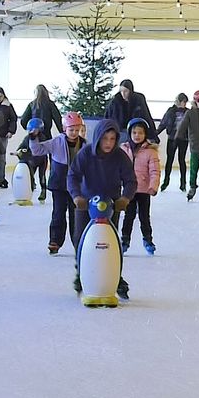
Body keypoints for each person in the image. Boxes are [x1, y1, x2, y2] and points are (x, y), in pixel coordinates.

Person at [68, 118, 137, 300]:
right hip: (86, 203)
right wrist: (77, 196)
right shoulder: (85, 154)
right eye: (105, 138)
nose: (108, 143)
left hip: (110, 205)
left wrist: (125, 198)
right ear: (98, 137)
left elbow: (131, 180)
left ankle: (115, 277)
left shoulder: (120, 156)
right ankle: (81, 272)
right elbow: (73, 175)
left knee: (111, 243)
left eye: (112, 139)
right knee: (80, 239)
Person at [28, 111, 87, 255]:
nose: (74, 133)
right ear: (64, 129)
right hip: (59, 185)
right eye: (71, 129)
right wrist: (33, 137)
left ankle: (78, 242)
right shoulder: (56, 142)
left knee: (77, 215)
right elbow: (37, 150)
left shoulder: (85, 145)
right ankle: (55, 241)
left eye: (77, 130)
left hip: (77, 187)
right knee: (58, 214)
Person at [118, 118, 161, 255]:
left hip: (144, 190)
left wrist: (153, 186)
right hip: (128, 190)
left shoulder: (150, 152)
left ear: (145, 134)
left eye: (140, 133)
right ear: (130, 133)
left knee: (144, 216)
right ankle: (124, 240)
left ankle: (148, 240)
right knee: (128, 216)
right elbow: (117, 169)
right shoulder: (123, 150)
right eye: (134, 132)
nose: (137, 135)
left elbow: (155, 171)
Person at [20, 84, 63, 202]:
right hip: (46, 135)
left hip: (34, 135)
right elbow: (58, 119)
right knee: (50, 159)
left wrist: (30, 128)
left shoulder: (32, 104)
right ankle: (49, 183)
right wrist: (62, 133)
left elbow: (23, 121)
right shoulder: (50, 104)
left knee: (32, 158)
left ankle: (31, 183)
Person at [104, 79, 158, 143]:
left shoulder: (138, 100)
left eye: (126, 91)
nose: (123, 94)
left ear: (130, 91)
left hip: (136, 131)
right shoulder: (115, 102)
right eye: (121, 91)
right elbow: (107, 118)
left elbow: (146, 116)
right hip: (121, 132)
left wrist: (152, 135)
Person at [158, 93, 189, 192]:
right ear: (179, 102)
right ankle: (166, 182)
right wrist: (154, 134)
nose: (185, 104)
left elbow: (193, 126)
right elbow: (163, 123)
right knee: (169, 160)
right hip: (172, 138)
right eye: (184, 102)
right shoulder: (171, 111)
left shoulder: (188, 112)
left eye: (186, 102)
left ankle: (183, 183)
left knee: (181, 160)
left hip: (184, 139)